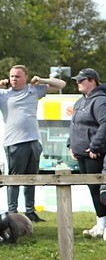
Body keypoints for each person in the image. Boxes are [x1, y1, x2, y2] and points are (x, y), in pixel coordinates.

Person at [0, 65, 65, 221]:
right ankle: (12, 212)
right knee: (14, 179)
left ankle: (30, 211)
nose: (14, 79)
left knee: (32, 178)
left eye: (17, 76)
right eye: (12, 76)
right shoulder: (3, 94)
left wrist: (42, 80)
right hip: (14, 142)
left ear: (26, 77)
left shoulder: (33, 90)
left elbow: (61, 84)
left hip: (33, 140)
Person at [68, 68, 106, 237]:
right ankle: (100, 222)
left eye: (81, 80)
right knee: (92, 188)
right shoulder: (80, 101)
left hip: (94, 154)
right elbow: (74, 125)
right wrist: (71, 145)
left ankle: (103, 225)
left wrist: (95, 146)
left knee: (97, 189)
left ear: (92, 81)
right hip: (81, 153)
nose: (77, 83)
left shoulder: (101, 101)